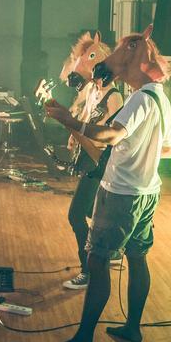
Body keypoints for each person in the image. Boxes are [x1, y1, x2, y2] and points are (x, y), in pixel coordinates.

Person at [43, 25, 171, 342]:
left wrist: (69, 121)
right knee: (137, 257)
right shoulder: (160, 98)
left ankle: (83, 339)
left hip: (121, 194)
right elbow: (168, 149)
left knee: (98, 260)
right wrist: (140, 151)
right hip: (147, 192)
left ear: (133, 63)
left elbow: (112, 136)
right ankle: (132, 327)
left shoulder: (140, 98)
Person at [63, 80, 124, 289]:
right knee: (92, 210)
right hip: (88, 158)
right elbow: (86, 120)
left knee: (76, 215)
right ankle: (110, 251)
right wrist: (74, 133)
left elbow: (114, 136)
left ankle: (88, 270)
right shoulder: (94, 92)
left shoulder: (114, 96)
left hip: (98, 161)